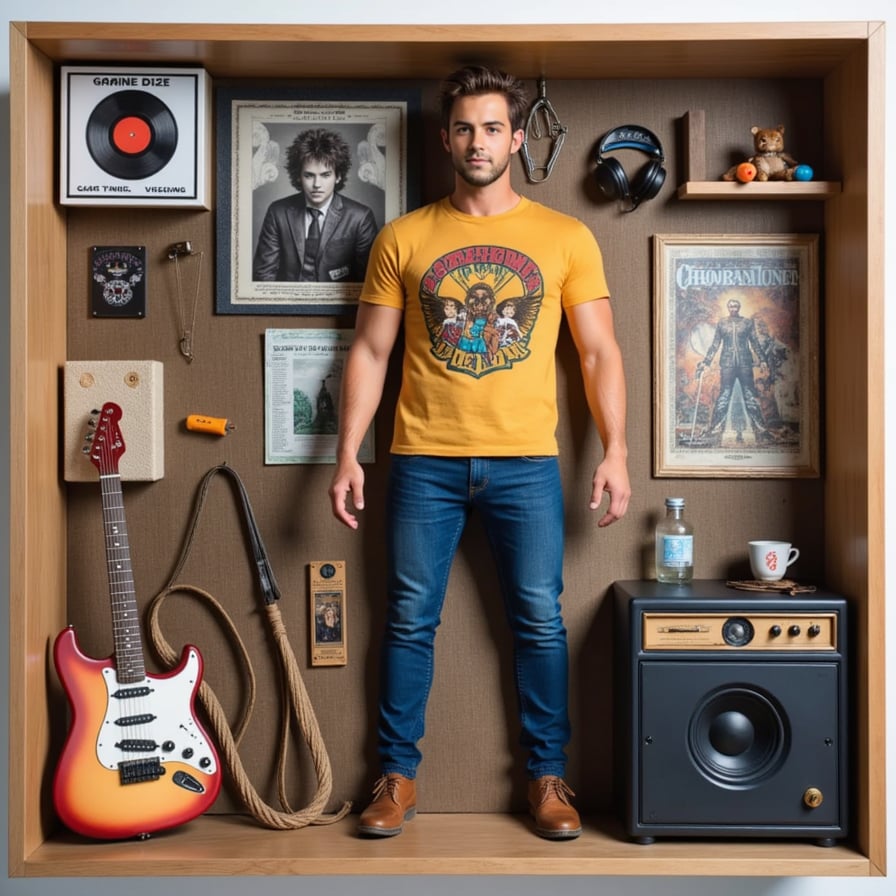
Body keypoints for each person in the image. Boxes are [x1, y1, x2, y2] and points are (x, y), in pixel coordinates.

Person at [328, 65, 630, 841]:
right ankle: (395, 778)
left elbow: (598, 353)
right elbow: (368, 350)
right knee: (405, 621)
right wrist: (347, 454)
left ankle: (546, 778)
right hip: (423, 459)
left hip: (527, 462)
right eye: (464, 128)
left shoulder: (565, 236)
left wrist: (616, 449)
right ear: (446, 139)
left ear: (516, 138)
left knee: (538, 621)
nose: (477, 141)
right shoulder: (405, 237)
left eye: (493, 127)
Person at [253, 128, 378, 283]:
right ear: (298, 176)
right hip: (287, 304)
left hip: (340, 306)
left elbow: (369, 282)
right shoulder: (278, 212)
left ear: (338, 176)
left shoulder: (360, 217)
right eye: (309, 175)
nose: (317, 184)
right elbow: (264, 275)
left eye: (325, 175)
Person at [696, 297, 771, 443]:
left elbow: (755, 342)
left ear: (739, 307)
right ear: (728, 307)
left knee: (750, 396)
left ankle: (762, 429)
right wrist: (706, 362)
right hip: (728, 364)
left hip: (745, 364)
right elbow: (715, 344)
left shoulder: (747, 323)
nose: (733, 308)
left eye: (736, 306)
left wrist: (763, 360)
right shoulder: (722, 323)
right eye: (731, 306)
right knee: (724, 396)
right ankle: (715, 428)